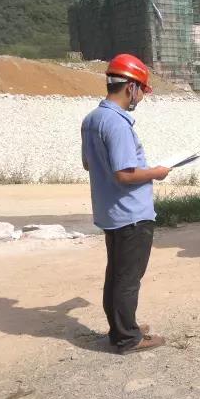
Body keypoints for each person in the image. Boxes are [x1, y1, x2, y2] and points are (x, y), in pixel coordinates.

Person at [81, 53, 168, 354]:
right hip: (131, 214)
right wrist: (156, 172)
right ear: (131, 87)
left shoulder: (92, 119)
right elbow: (124, 174)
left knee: (117, 274)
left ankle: (121, 327)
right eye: (142, 90)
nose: (141, 97)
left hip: (110, 212)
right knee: (128, 278)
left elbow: (88, 164)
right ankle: (128, 337)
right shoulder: (117, 124)